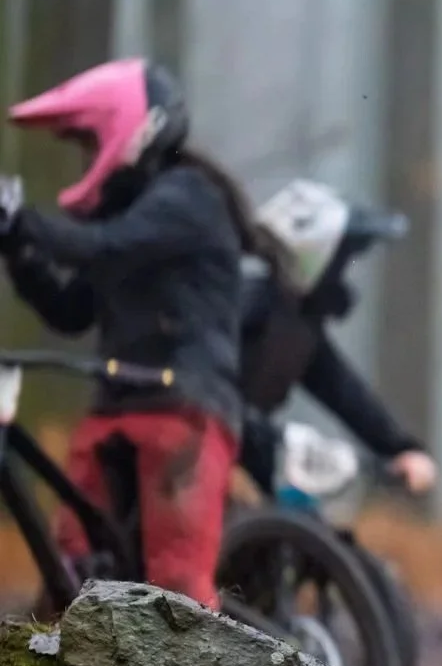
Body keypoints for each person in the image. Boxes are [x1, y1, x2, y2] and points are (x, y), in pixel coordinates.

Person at [0, 59, 268, 609]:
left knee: (175, 592)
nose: (84, 156)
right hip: (117, 404)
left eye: (89, 140)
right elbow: (71, 309)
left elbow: (103, 247)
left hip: (183, 408)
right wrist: (18, 249)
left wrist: (22, 221)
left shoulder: (185, 195)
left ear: (130, 128)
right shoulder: (125, 215)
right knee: (70, 569)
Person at [238, 178, 439, 498]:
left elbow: (345, 393)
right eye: (343, 261)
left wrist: (401, 448)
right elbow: (203, 389)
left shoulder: (297, 328)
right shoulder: (248, 307)